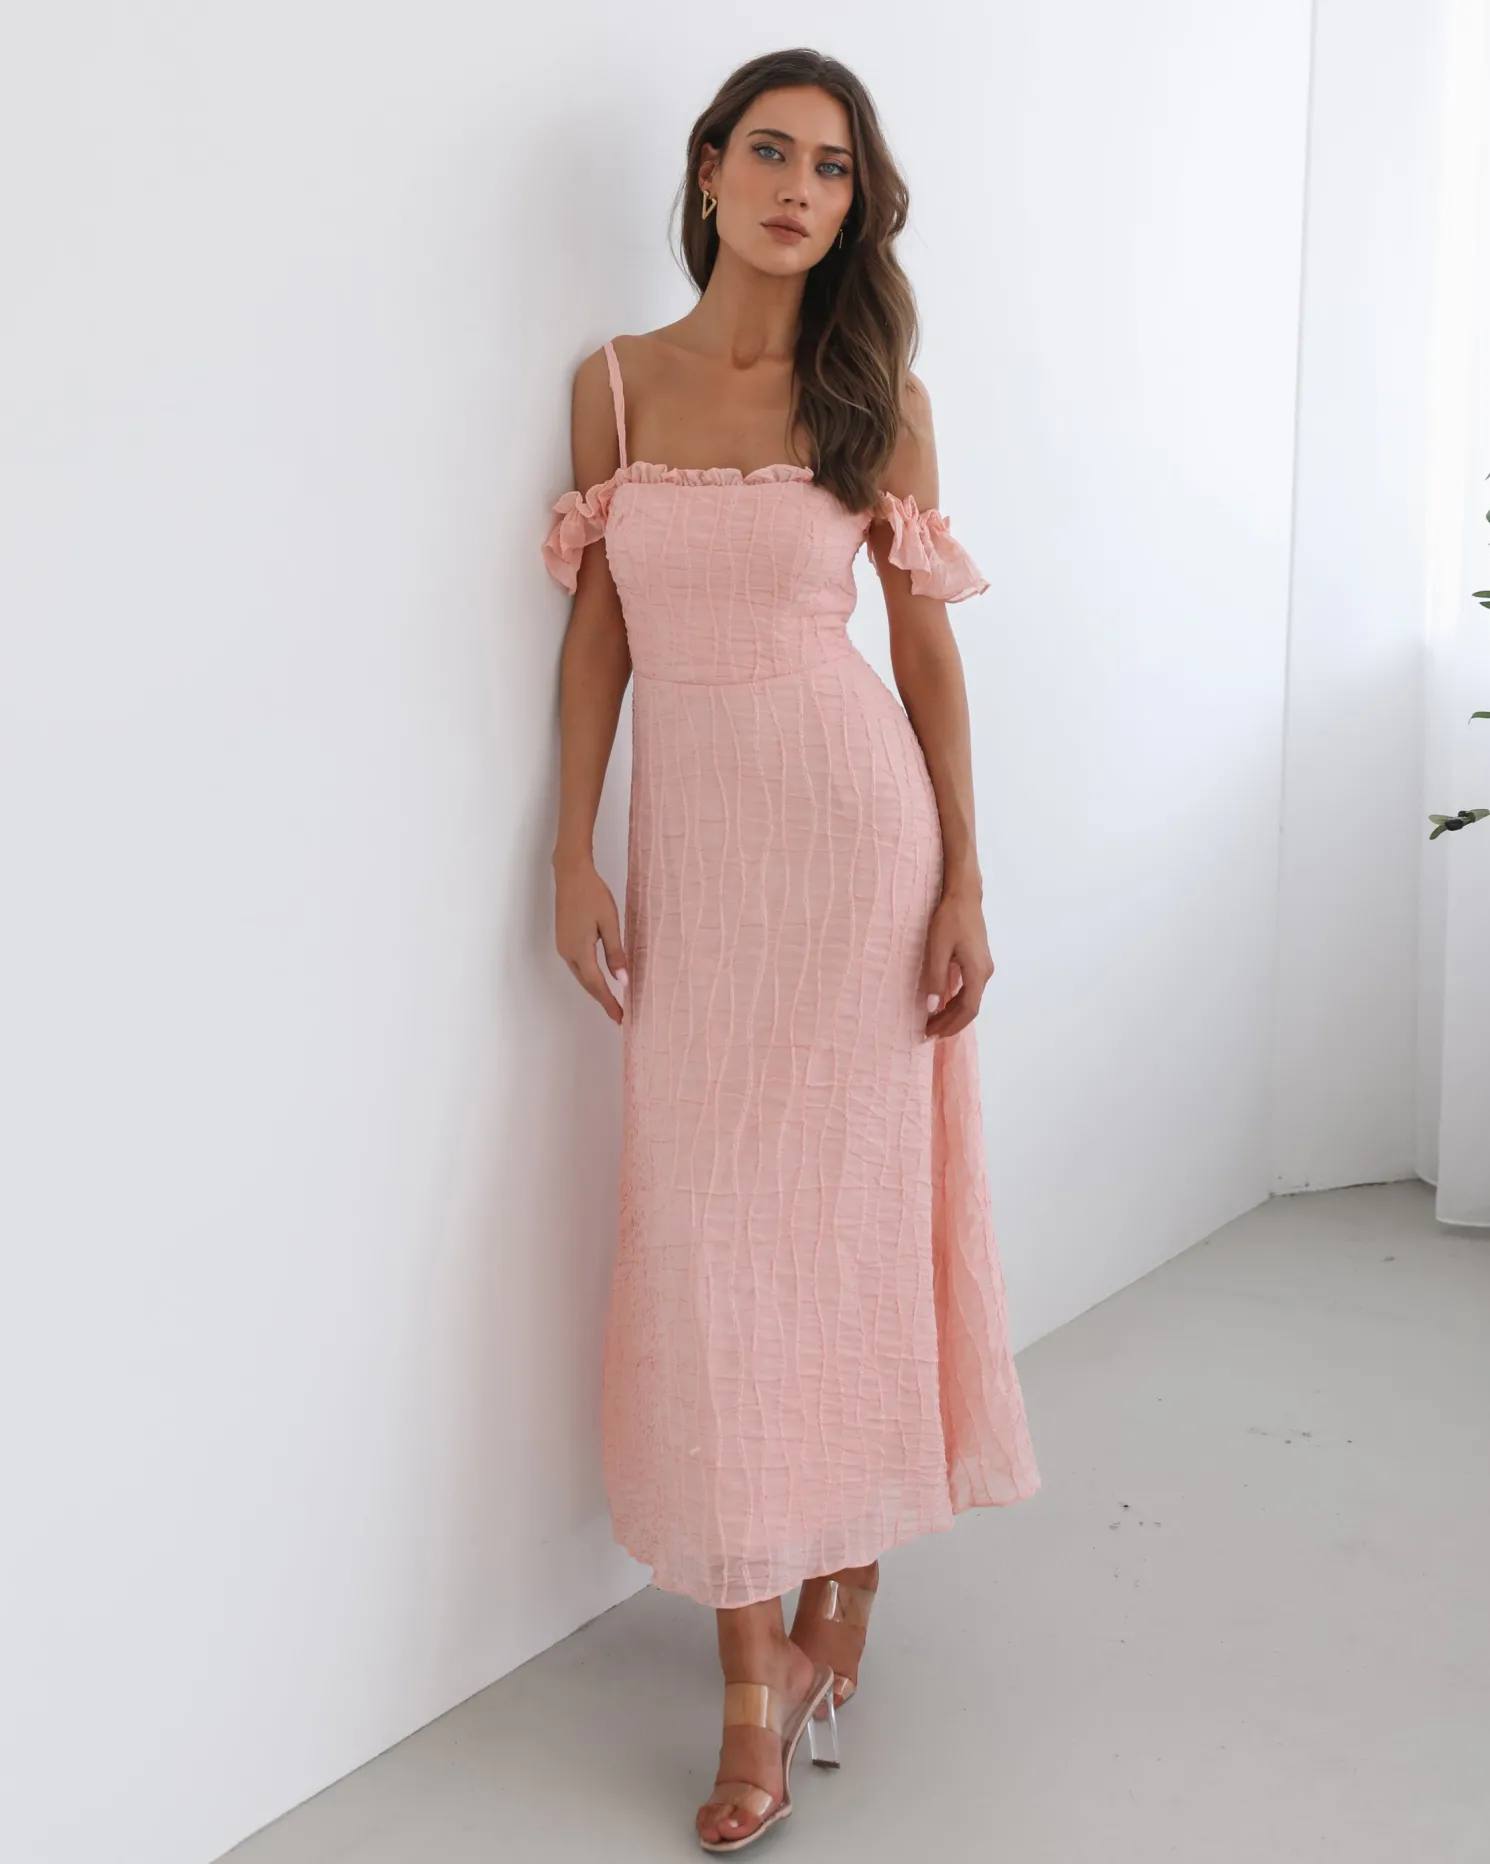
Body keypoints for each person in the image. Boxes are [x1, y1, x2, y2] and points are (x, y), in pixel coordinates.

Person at [542, 46, 1041, 1854]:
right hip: (699, 863)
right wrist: (569, 847)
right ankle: (769, 1638)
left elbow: (923, 656)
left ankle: (814, 1630)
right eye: (768, 152)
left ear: (853, 206)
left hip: (854, 848)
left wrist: (964, 876)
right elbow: (599, 632)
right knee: (711, 1241)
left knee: (846, 1220)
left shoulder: (874, 400)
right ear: (706, 171)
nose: (796, 190)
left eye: (830, 169)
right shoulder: (615, 383)